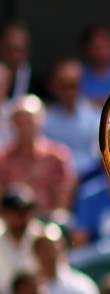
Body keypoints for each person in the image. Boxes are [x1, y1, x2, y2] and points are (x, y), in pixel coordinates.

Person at [0, 93, 77, 222]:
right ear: (13, 124)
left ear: (41, 120)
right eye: (20, 121)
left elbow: (63, 201)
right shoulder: (3, 159)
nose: (25, 126)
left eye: (30, 120)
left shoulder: (57, 157)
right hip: (10, 227)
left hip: (46, 225)